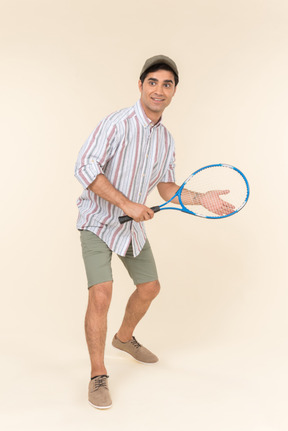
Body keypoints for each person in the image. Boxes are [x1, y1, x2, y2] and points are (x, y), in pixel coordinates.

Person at [74, 55, 234, 410]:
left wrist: (199, 198)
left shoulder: (166, 139)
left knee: (150, 288)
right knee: (101, 294)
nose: (159, 90)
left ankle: (124, 338)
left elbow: (165, 187)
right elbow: (84, 166)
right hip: (98, 221)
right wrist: (128, 203)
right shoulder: (116, 123)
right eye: (153, 82)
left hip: (130, 228)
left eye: (167, 84)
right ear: (141, 85)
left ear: (174, 91)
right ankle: (98, 375)